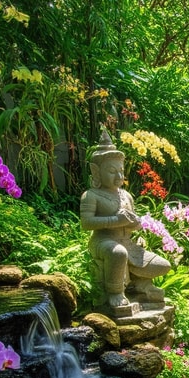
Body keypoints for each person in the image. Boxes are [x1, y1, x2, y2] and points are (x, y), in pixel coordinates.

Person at [79, 130, 171, 312]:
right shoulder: (91, 195)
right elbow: (86, 223)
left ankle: (139, 286)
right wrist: (116, 220)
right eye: (112, 171)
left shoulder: (126, 196)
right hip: (103, 241)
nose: (119, 177)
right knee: (118, 253)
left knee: (163, 265)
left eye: (121, 171)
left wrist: (134, 222)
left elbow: (135, 224)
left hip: (127, 242)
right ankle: (115, 292)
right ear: (96, 171)